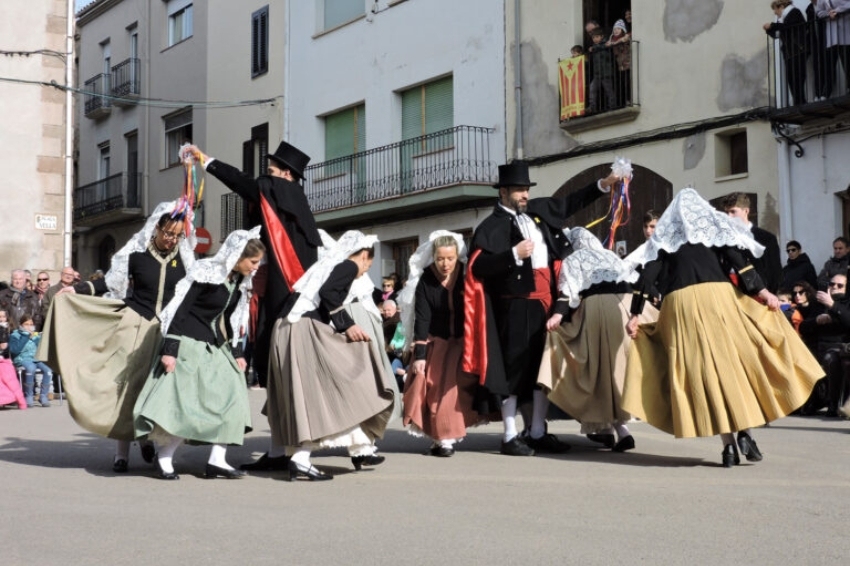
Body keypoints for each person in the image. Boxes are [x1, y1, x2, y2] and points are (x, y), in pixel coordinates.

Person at [624, 188, 822, 467]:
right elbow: (740, 265)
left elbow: (647, 277)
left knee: (707, 377)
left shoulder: (665, 238)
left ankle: (728, 447)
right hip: (718, 298)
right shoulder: (711, 230)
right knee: (735, 368)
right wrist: (765, 294)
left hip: (681, 305)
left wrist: (634, 314)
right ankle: (744, 432)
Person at [464, 160, 620, 456]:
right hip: (514, 307)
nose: (525, 195)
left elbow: (569, 202)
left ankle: (537, 431)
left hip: (546, 304)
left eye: (526, 190)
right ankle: (510, 435)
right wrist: (512, 254)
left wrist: (605, 184)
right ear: (505, 192)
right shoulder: (490, 226)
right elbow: (479, 265)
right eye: (520, 190)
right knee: (512, 372)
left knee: (541, 369)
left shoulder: (536, 213)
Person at [38, 202, 196, 472]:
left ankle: (152, 442)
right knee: (126, 389)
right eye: (168, 233)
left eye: (178, 235)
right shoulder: (136, 255)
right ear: (156, 227)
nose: (172, 239)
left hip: (167, 332)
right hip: (134, 326)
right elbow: (111, 282)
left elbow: (192, 294)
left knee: (157, 392)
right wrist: (78, 290)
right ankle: (121, 452)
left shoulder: (184, 261)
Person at [185, 142, 321, 390]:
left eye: (271, 171)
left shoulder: (279, 189)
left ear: (286, 174)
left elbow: (244, 183)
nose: (266, 177)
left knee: (268, 331)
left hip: (282, 278)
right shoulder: (294, 199)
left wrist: (207, 161)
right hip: (291, 280)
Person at [265, 231, 398, 480]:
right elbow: (329, 293)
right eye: (368, 265)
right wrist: (347, 325)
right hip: (303, 329)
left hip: (285, 328)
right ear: (364, 256)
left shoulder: (325, 265)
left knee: (307, 393)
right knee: (328, 387)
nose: (364, 271)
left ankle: (307, 454)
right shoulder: (347, 264)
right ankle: (302, 458)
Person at [134, 229, 263, 480]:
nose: (256, 267)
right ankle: (165, 457)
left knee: (233, 395)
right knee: (186, 405)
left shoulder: (236, 282)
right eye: (254, 261)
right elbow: (181, 310)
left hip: (214, 344)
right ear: (238, 256)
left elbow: (228, 319)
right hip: (188, 343)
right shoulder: (206, 274)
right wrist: (170, 350)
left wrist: (236, 351)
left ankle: (217, 460)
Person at [538, 228, 656, 453]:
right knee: (616, 371)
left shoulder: (575, 259)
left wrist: (557, 315)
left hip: (596, 310)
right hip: (623, 308)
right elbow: (636, 281)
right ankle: (614, 431)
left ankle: (619, 431)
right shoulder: (611, 256)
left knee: (598, 373)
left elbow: (568, 293)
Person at [398, 231, 483, 457]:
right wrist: (421, 355)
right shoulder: (426, 279)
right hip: (436, 341)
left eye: (450, 258)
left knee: (452, 390)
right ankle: (439, 438)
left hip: (463, 342)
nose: (445, 264)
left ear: (458, 257)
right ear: (433, 257)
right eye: (440, 259)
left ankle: (446, 439)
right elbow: (422, 317)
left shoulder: (466, 274)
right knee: (431, 390)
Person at [799, 272, 850, 417]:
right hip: (818, 345)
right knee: (801, 357)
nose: (834, 287)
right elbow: (803, 327)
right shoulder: (819, 303)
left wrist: (833, 306)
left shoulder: (845, 304)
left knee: (830, 359)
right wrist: (816, 321)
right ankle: (808, 401)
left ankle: (833, 403)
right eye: (832, 284)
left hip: (839, 347)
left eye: (840, 285)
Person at [722, 192, 782, 293]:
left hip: (760, 297)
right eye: (727, 212)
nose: (729, 216)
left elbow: (775, 272)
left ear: (746, 211)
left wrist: (768, 295)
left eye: (733, 211)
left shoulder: (766, 238)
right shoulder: (724, 239)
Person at [793, 281, 829, 414]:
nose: (797, 295)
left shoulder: (816, 307)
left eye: (801, 292)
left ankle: (811, 402)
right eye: (795, 293)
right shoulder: (795, 309)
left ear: (808, 293)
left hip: (816, 344)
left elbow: (806, 327)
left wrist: (811, 323)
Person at [764, 0, 809, 106]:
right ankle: (798, 102)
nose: (775, 12)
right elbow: (777, 34)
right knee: (791, 79)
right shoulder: (783, 20)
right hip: (790, 53)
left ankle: (800, 101)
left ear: (782, 6)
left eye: (775, 9)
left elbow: (788, 27)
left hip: (798, 49)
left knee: (798, 77)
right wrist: (769, 29)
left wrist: (773, 25)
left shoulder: (794, 12)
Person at [9, 314, 54, 408]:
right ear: (21, 325)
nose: (29, 327)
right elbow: (15, 350)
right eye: (26, 324)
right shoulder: (15, 335)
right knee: (31, 368)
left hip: (36, 359)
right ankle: (29, 395)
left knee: (48, 370)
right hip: (22, 358)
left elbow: (41, 349)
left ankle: (43, 396)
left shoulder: (35, 335)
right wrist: (26, 337)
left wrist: (38, 339)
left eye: (31, 324)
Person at [816, 0, 850, 97]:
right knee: (829, 65)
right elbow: (819, 12)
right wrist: (828, 14)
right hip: (832, 35)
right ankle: (826, 93)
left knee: (847, 62)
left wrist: (837, 11)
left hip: (845, 32)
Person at [0, 309, 26, 410]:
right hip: (4, 360)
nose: (1, 319)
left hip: (7, 359)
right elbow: (3, 346)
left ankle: (11, 400)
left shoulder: (11, 331)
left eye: (3, 317)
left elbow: (8, 348)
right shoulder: (3, 330)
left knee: (10, 381)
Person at [587, 28, 616, 114]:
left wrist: (593, 49)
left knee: (609, 90)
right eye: (593, 37)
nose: (595, 39)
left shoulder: (606, 44)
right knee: (592, 89)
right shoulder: (595, 47)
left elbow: (605, 46)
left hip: (606, 73)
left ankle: (612, 106)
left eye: (597, 37)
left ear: (602, 37)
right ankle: (592, 107)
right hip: (598, 74)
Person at [380, 299, 407, 390]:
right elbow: (395, 338)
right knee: (392, 369)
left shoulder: (398, 320)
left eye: (388, 310)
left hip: (400, 353)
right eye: (384, 310)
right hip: (392, 351)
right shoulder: (384, 321)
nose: (386, 312)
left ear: (395, 309)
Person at [607, 19, 632, 107]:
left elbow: (626, 38)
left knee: (628, 83)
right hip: (620, 66)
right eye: (614, 29)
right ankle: (624, 101)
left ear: (622, 30)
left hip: (628, 65)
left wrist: (614, 43)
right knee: (622, 85)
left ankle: (629, 100)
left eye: (618, 28)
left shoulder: (626, 36)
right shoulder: (611, 40)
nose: (616, 31)